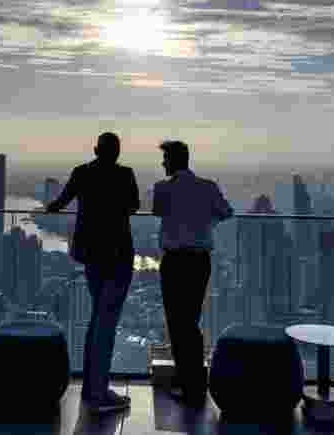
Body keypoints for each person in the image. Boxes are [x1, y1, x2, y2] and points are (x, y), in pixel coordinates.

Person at [46, 132, 140, 413]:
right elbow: (134, 206)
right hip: (118, 255)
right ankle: (98, 393)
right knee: (106, 323)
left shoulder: (82, 173)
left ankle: (92, 388)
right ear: (117, 152)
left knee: (98, 318)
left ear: (95, 149)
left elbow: (60, 202)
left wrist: (50, 207)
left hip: (91, 257)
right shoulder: (125, 174)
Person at [152, 140, 234, 408]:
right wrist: (205, 219)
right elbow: (226, 212)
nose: (162, 163)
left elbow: (157, 211)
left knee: (178, 324)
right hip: (199, 262)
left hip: (174, 262)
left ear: (174, 160)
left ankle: (191, 386)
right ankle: (192, 383)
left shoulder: (163, 189)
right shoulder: (208, 187)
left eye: (165, 159)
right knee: (190, 321)